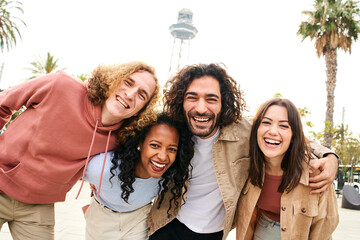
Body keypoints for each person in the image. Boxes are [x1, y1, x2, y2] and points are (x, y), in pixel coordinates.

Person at [148, 63, 339, 240]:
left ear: (224, 103)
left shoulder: (244, 130)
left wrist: (329, 156)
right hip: (167, 223)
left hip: (212, 234)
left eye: (211, 99)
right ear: (181, 101)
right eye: (192, 98)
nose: (201, 108)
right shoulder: (174, 130)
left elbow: (291, 137)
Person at [0, 61, 160, 240]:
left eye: (142, 95)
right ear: (114, 78)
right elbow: (3, 103)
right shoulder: (60, 85)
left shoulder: (121, 139)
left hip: (37, 206)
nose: (130, 95)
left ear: (142, 109)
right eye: (128, 82)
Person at [235, 98, 339, 240]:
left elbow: (324, 227)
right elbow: (248, 222)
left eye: (283, 126)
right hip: (263, 230)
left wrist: (331, 156)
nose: (273, 131)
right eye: (266, 122)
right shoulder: (249, 164)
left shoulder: (316, 172)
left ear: (293, 135)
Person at [83, 112, 194, 240]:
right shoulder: (104, 168)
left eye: (172, 149)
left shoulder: (170, 173)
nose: (163, 157)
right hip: (102, 218)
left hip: (139, 218)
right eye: (155, 145)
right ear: (139, 143)